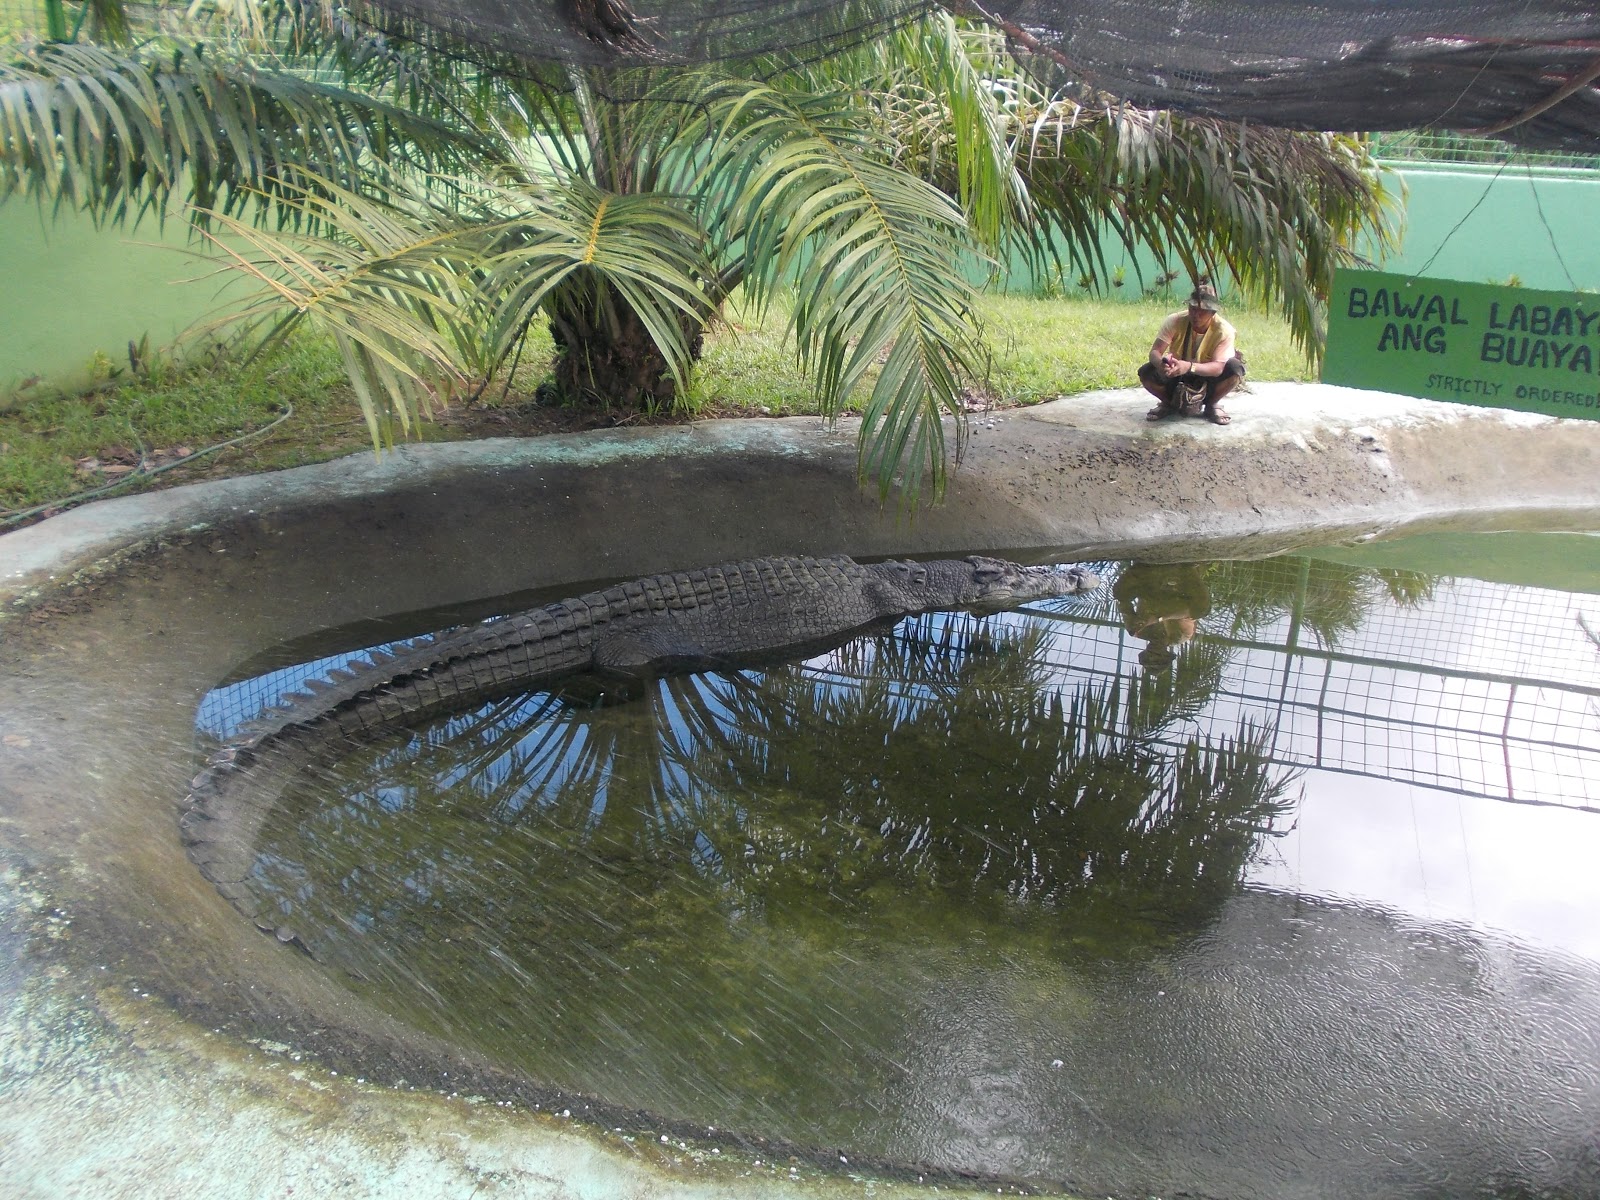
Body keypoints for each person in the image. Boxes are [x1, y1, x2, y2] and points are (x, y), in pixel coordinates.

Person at [1137, 280, 1245, 426]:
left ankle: (1212, 405)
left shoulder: (1224, 330)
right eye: (1193, 308)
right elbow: (1155, 351)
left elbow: (1218, 368)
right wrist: (1161, 364)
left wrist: (1188, 366)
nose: (1196, 315)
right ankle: (1169, 404)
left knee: (1235, 369)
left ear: (1213, 313)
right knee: (1146, 372)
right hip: (1176, 373)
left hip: (1208, 377)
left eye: (1202, 311)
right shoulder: (1175, 321)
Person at [1114, 561, 1211, 670]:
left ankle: (1141, 565)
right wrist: (1158, 618)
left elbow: (1123, 604)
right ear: (1166, 653)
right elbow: (1188, 613)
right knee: (1201, 610)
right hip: (1179, 589)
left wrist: (1130, 618)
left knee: (1119, 592)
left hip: (1152, 584)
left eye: (1149, 653)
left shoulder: (1138, 631)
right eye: (1157, 654)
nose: (1153, 650)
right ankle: (1188, 568)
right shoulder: (1180, 636)